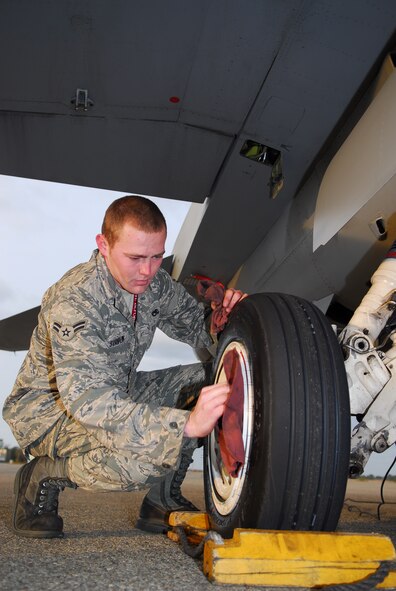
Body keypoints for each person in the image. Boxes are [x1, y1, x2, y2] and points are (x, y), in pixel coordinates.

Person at [3, 195, 246, 539]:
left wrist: (225, 318)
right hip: (52, 414)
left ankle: (162, 501)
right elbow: (89, 402)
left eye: (157, 256)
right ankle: (43, 474)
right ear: (103, 245)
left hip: (116, 390)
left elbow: (197, 326)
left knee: (208, 382)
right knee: (147, 458)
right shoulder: (76, 302)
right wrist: (183, 425)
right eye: (135, 258)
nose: (147, 271)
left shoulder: (153, 284)